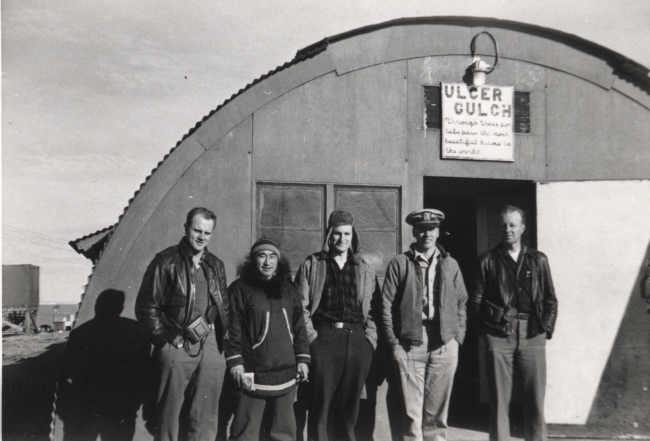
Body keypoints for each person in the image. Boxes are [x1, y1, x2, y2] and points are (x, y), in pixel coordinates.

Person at [135, 207, 229, 441]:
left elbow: (223, 304)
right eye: (197, 230)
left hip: (209, 345)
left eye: (207, 233)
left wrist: (220, 343)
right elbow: (147, 306)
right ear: (185, 228)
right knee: (169, 413)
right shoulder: (165, 261)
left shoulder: (216, 265)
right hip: (176, 344)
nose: (201, 237)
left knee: (206, 414)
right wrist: (164, 342)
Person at [470, 205, 558, 441]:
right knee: (499, 400)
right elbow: (475, 303)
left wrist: (545, 330)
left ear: (523, 228)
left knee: (535, 401)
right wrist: (487, 333)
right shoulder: (487, 260)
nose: (507, 229)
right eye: (504, 225)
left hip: (532, 333)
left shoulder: (538, 260)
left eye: (512, 225)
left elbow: (550, 298)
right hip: (498, 335)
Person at [381, 209, 468, 441]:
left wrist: (457, 340)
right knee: (411, 417)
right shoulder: (400, 264)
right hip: (410, 342)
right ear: (414, 231)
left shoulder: (451, 264)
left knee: (437, 417)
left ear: (438, 232)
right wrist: (394, 344)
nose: (426, 234)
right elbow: (385, 305)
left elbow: (462, 303)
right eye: (422, 229)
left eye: (431, 229)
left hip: (444, 342)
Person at [295, 210, 378, 441]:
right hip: (324, 339)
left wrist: (369, 341)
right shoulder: (313, 265)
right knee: (321, 405)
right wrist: (313, 340)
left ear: (353, 236)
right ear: (329, 235)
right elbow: (300, 308)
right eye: (337, 234)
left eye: (347, 234)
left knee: (351, 407)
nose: (342, 239)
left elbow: (373, 310)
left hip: (357, 340)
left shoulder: (364, 267)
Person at [226, 238, 311, 441]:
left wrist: (303, 359)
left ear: (278, 261)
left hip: (285, 374)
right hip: (251, 371)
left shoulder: (289, 290)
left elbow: (299, 327)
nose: (267, 261)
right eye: (262, 256)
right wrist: (235, 361)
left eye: (272, 256)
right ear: (253, 260)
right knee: (244, 433)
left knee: (283, 434)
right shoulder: (239, 288)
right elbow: (232, 327)